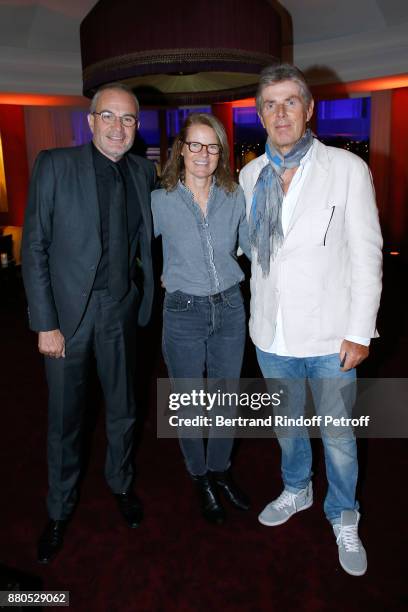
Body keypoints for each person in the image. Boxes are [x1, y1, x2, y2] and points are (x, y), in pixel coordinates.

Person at [239, 64, 382, 576]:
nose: (280, 113)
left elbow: (368, 254)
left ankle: (344, 513)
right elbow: (250, 253)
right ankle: (296, 489)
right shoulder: (250, 174)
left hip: (330, 335)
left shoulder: (345, 168)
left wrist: (359, 330)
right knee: (287, 427)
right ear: (260, 114)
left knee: (339, 436)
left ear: (308, 109)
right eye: (270, 105)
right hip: (271, 332)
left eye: (289, 102)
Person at [22, 83, 156, 563]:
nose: (118, 127)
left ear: (136, 128)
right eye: (109, 117)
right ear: (91, 120)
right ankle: (58, 510)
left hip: (119, 311)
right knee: (65, 421)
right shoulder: (54, 165)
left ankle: (120, 484)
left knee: (124, 409)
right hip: (67, 318)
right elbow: (33, 246)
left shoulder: (144, 171)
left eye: (128, 120)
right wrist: (45, 322)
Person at [152, 113, 250, 524]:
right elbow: (134, 245)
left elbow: (246, 247)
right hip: (183, 312)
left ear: (221, 153)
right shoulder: (161, 199)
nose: (203, 154)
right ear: (181, 149)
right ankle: (199, 476)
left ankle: (220, 469)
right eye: (195, 144)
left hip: (230, 306)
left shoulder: (235, 195)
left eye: (212, 147)